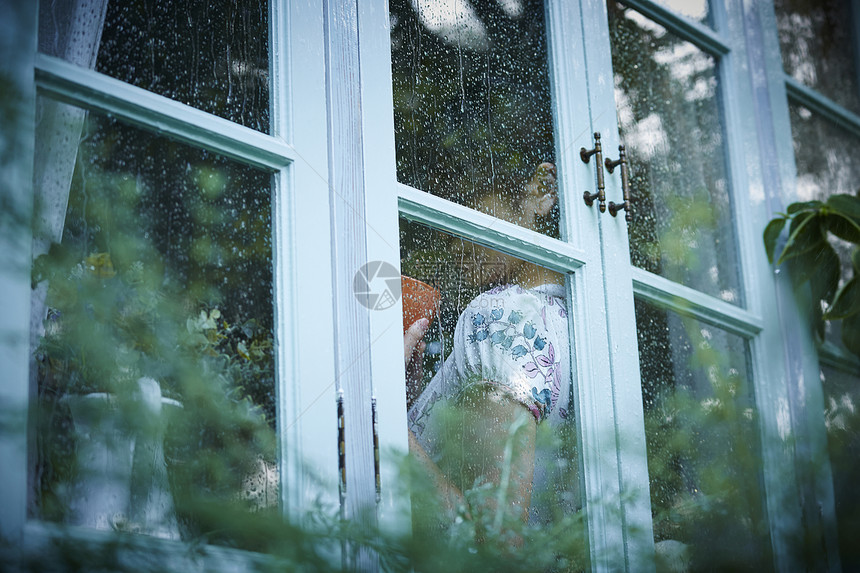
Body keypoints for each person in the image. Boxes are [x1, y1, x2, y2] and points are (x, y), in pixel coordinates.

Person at [403, 162, 578, 531]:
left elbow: (493, 540)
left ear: (542, 191)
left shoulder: (499, 314)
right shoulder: (578, 327)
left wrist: (375, 416)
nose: (453, 244)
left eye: (466, 207)